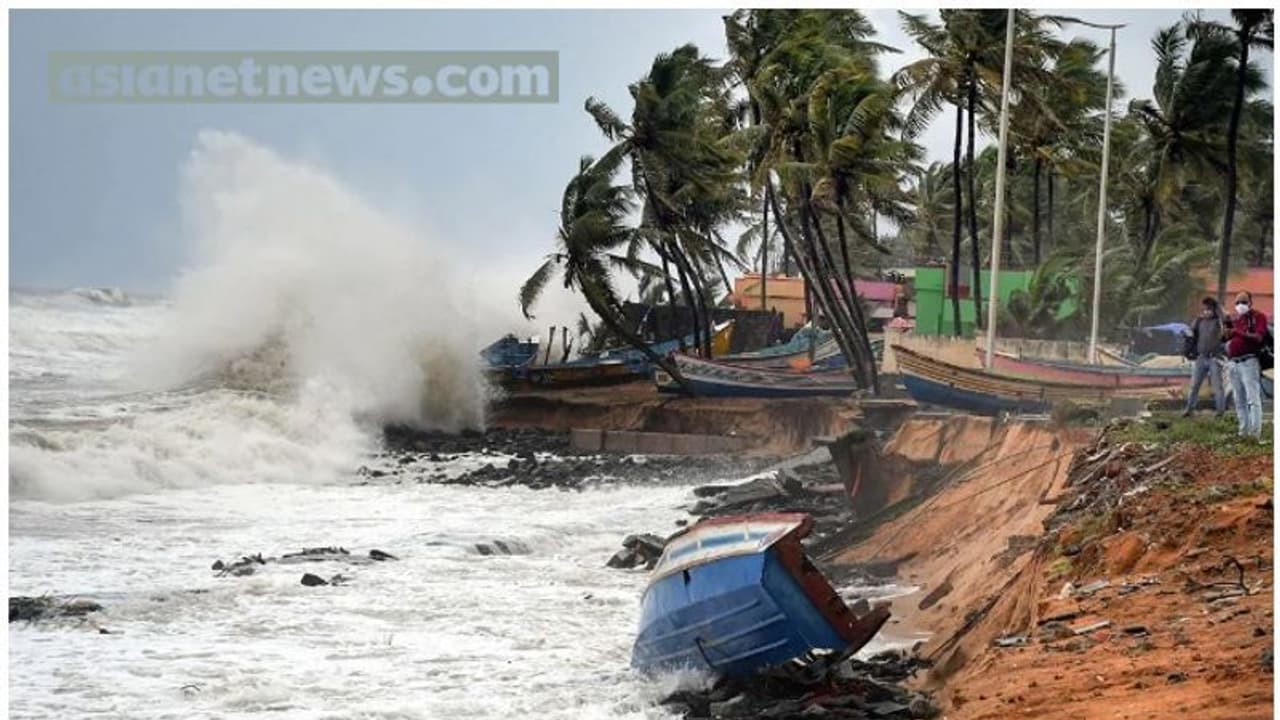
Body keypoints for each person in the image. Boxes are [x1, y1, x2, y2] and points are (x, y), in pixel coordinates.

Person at [1224, 290, 1268, 439]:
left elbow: (1258, 337)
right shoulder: (1238, 319)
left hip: (1249, 362)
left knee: (1252, 399)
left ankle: (1255, 434)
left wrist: (1237, 332)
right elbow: (1225, 338)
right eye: (1237, 302)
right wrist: (1226, 328)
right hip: (1234, 363)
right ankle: (1243, 433)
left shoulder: (1258, 317)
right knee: (1239, 400)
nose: (1240, 305)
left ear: (1250, 302)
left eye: (1243, 302)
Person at [1181, 297, 1227, 417]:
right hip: (1201, 358)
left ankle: (1220, 411)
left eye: (1209, 310)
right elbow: (1191, 336)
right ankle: (1189, 409)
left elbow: (1226, 318)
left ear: (1213, 310)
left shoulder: (1219, 321)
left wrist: (1218, 306)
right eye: (1205, 310)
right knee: (1194, 385)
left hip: (1215, 358)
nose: (1206, 312)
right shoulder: (1198, 321)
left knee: (1218, 386)